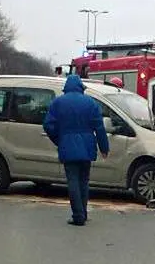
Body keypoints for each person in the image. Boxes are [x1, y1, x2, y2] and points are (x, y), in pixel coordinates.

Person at [43, 75, 109, 226]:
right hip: (87, 147)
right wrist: (104, 148)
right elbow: (99, 127)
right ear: (81, 87)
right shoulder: (90, 103)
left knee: (72, 180)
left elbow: (48, 125)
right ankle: (83, 213)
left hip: (67, 145)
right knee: (84, 181)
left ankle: (78, 215)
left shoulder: (58, 103)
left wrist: (59, 139)